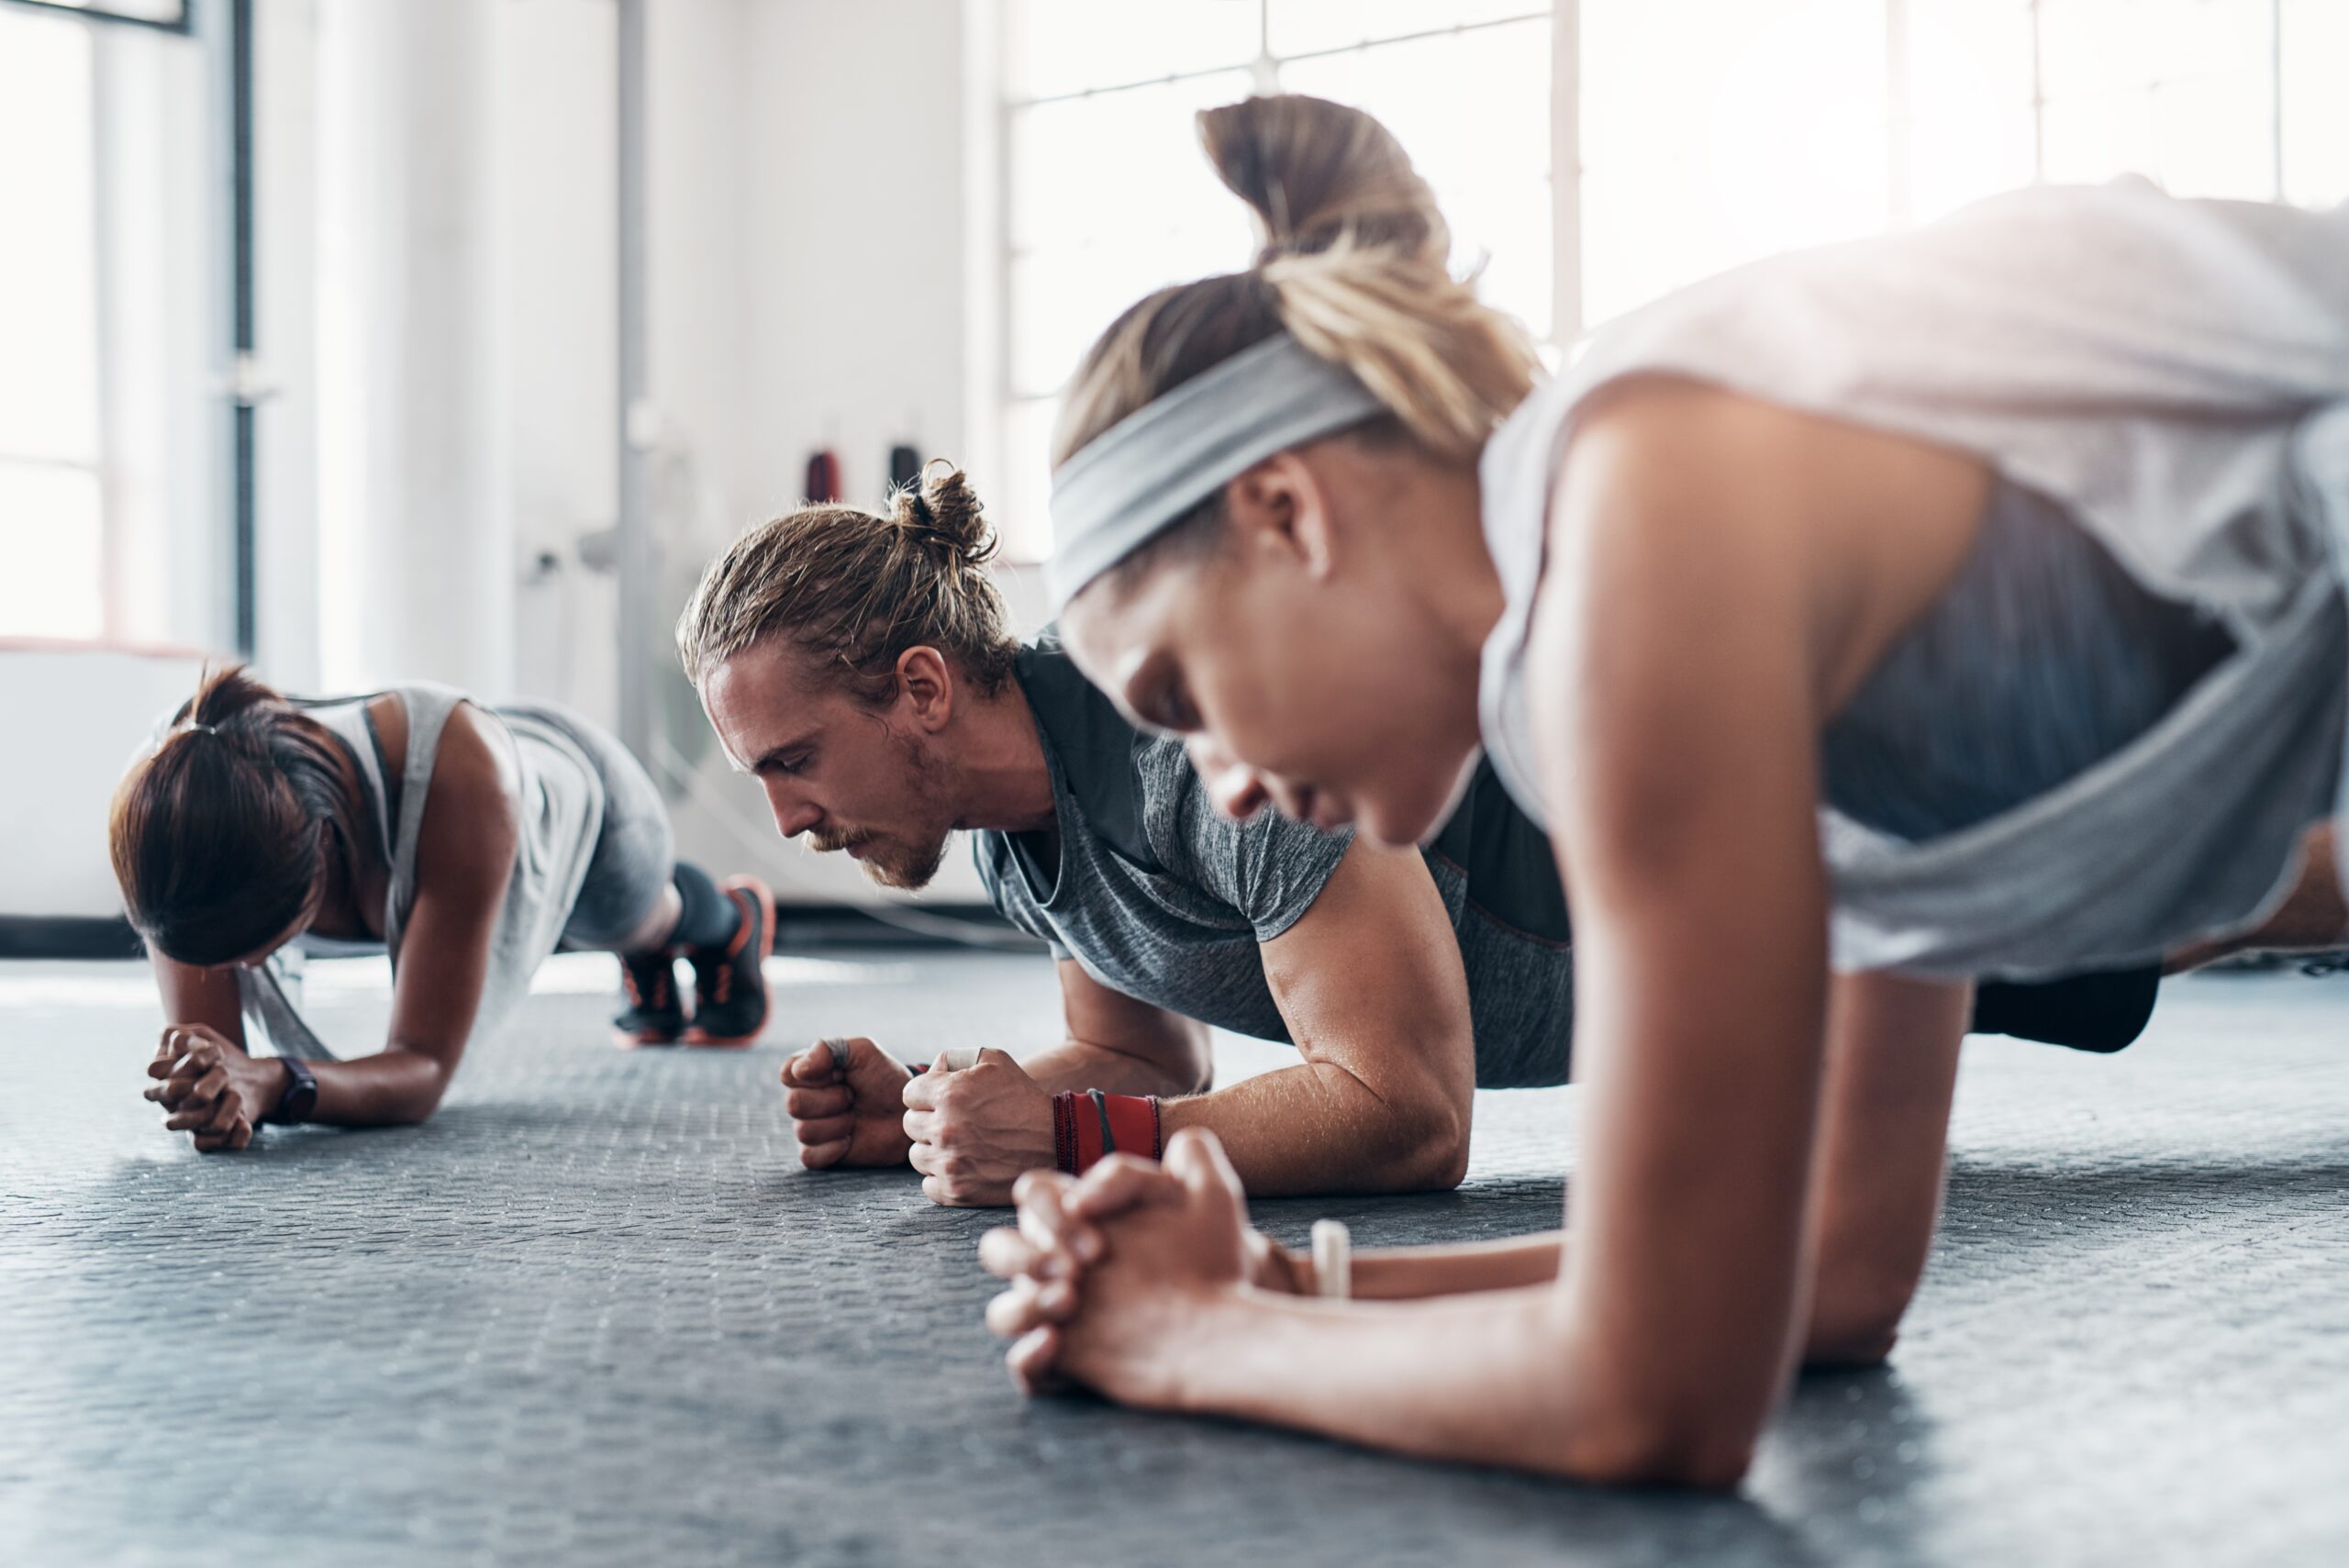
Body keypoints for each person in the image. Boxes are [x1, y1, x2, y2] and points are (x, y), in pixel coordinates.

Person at [978, 95, 2349, 1485]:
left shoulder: (1632, 524)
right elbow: (1831, 1264)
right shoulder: (1670, 619)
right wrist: (1286, 1292)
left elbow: (1657, 1392)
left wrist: (1186, 1342)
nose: (1223, 785)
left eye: (1180, 701)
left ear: (1287, 512)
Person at [675, 466, 2163, 1207]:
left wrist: (1062, 1139)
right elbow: (1145, 1061)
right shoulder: (1019, 838)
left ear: (920, 687)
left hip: (1787, 855)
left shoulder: (1189, 739)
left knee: (2201, 880)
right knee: (2168, 911)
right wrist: (929, 1112)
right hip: (1735, 979)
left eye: (795, 759)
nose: (790, 819)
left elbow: (1406, 1111)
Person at [115, 667, 776, 1151]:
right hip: (473, 796)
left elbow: (421, 1069)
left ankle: (725, 921)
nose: (248, 965)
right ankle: (653, 964)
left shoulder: (462, 786)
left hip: (585, 797)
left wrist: (276, 1085)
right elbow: (220, 1058)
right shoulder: (172, 811)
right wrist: (210, 1085)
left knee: (628, 919)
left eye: (258, 947)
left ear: (320, 850)